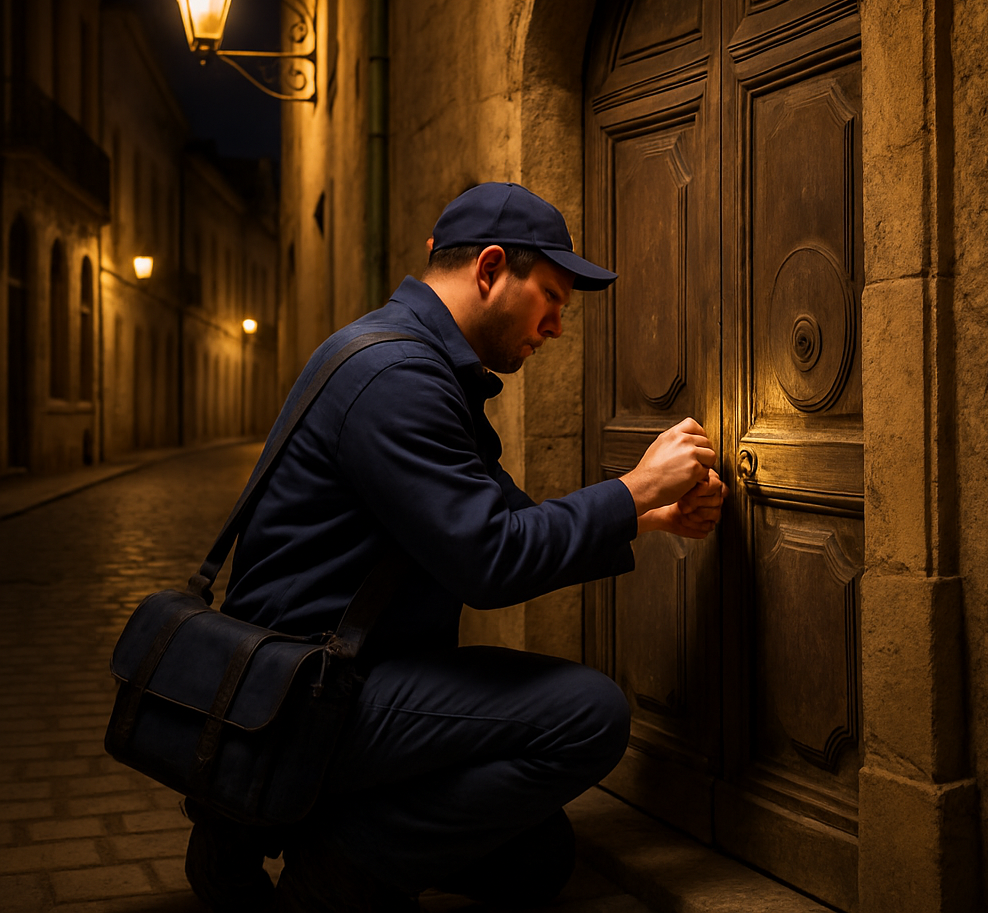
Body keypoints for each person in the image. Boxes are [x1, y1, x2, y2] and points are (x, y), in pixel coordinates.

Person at [184, 182, 728, 912]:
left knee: (537, 856)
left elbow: (504, 519)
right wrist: (634, 488)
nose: (556, 326)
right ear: (491, 268)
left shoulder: (416, 360)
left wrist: (647, 515)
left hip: (336, 676)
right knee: (590, 715)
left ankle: (295, 823)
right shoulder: (396, 378)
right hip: (299, 696)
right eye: (552, 298)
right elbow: (491, 560)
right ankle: (328, 874)